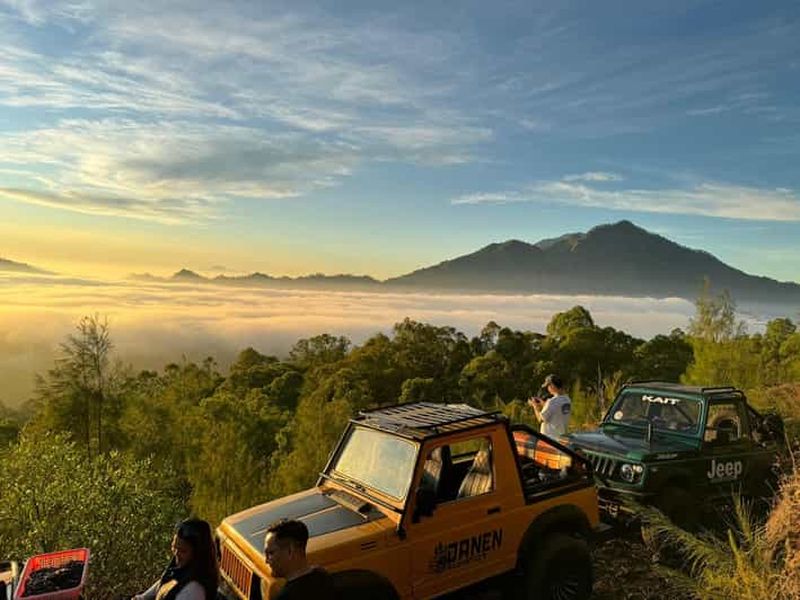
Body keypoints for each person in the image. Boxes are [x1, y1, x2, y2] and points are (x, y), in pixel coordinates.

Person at [133, 518, 219, 600]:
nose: (176, 553)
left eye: (183, 551)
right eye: (174, 547)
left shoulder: (194, 590)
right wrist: (141, 598)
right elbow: (166, 583)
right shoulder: (180, 570)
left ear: (197, 554)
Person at [264, 519, 336, 599]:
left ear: (290, 551)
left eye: (271, 553)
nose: (266, 561)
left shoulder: (286, 597)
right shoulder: (323, 578)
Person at [528, 373, 572, 437]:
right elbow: (556, 408)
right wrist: (543, 403)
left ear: (552, 386)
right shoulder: (567, 399)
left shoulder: (551, 402)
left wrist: (535, 406)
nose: (548, 389)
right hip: (561, 437)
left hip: (549, 438)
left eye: (548, 386)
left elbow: (540, 419)